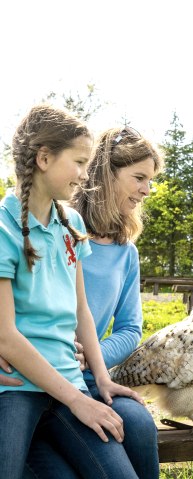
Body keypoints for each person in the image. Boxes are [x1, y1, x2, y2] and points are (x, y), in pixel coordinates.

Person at [0, 104, 143, 478]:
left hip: (70, 383)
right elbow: (5, 336)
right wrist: (78, 401)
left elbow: (82, 310)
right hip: (16, 387)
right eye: (79, 162)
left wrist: (102, 378)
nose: (84, 174)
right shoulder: (4, 228)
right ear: (44, 158)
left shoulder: (71, 223)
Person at [24, 126, 164, 478]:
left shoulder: (125, 252)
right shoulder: (57, 227)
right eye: (139, 178)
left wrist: (94, 354)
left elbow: (131, 329)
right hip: (39, 371)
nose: (147, 190)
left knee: (139, 424)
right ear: (108, 173)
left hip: (89, 377)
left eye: (150, 180)